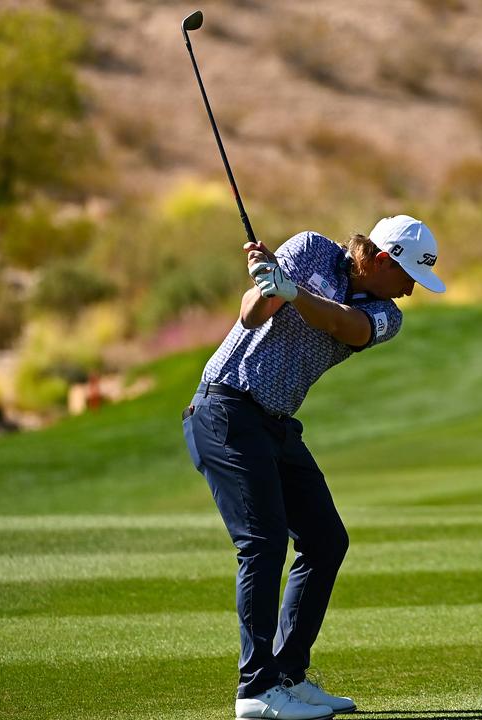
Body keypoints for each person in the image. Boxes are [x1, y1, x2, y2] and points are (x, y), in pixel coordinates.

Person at [182, 216, 444, 720]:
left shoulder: (385, 314)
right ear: (383, 260)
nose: (411, 291)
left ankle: (287, 675)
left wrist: (293, 292)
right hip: (226, 410)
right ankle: (256, 690)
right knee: (262, 541)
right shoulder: (308, 249)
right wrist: (267, 283)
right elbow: (252, 316)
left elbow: (344, 325)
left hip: (275, 424)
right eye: (409, 276)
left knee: (326, 540)